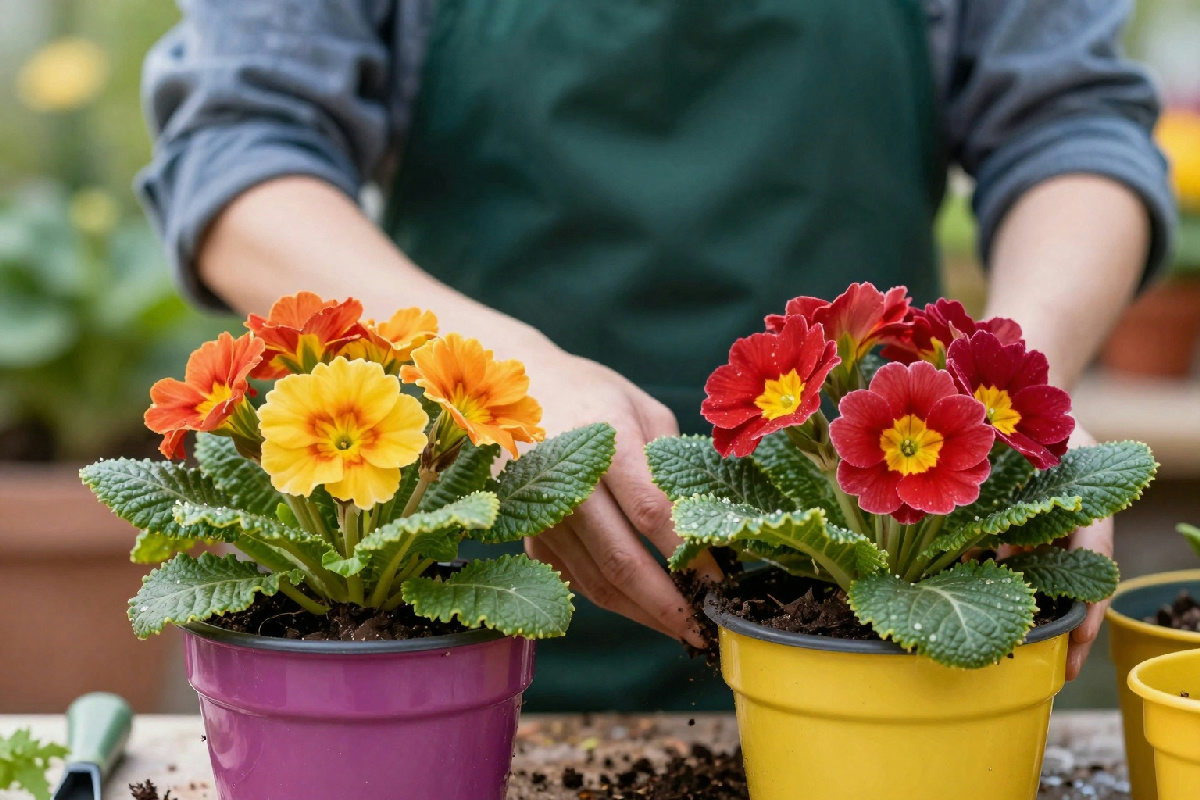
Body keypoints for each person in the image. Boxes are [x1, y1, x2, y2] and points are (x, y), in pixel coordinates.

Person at [138, 0, 1174, 710]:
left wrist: (1009, 389)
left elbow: (1068, 122)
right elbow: (240, 142)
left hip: (894, 634)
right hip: (471, 599)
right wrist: (496, 367)